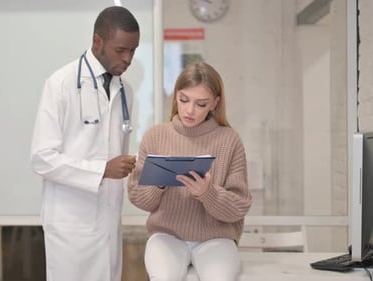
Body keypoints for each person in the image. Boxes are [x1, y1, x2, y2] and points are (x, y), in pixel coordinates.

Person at [30, 6, 140, 281]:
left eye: (133, 50)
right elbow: (42, 158)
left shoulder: (125, 91)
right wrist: (102, 170)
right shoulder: (61, 84)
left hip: (109, 217)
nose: (128, 59)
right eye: (120, 50)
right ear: (97, 42)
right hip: (71, 223)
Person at [127, 62, 252, 281]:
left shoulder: (229, 140)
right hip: (166, 236)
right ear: (175, 96)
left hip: (217, 238)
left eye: (200, 104)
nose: (189, 110)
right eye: (184, 100)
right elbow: (139, 198)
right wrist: (158, 183)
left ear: (214, 104)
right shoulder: (154, 136)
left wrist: (207, 193)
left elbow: (238, 207)